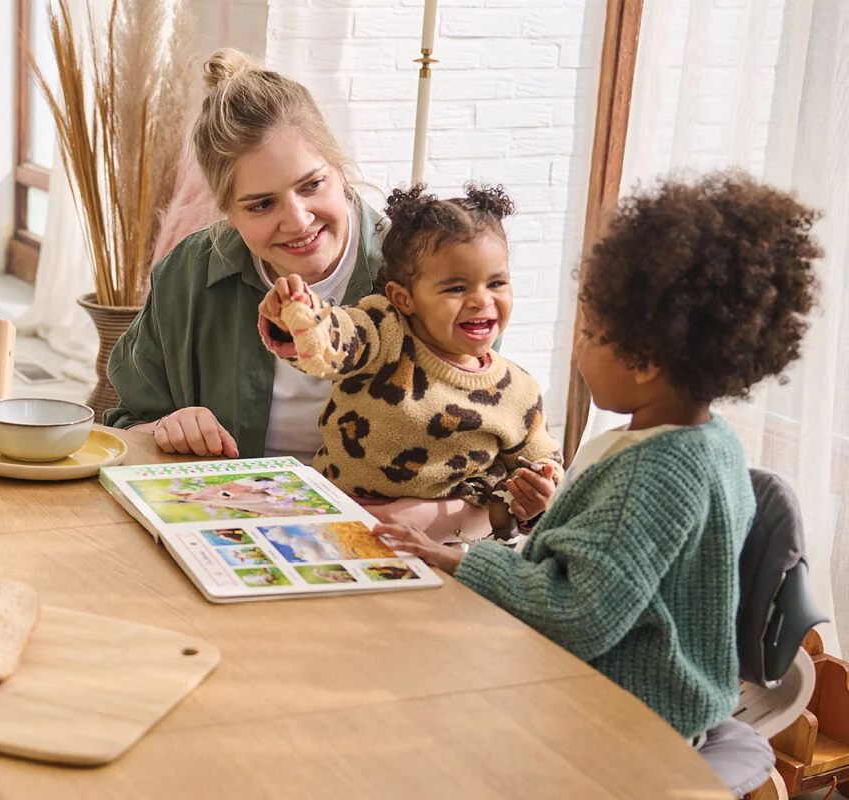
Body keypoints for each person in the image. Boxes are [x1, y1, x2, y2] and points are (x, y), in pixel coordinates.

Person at [384, 172, 819, 740]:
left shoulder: (653, 474)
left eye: (589, 334)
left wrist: (462, 559)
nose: (578, 348)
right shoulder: (708, 440)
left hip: (622, 719)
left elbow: (580, 614)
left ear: (642, 361)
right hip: (632, 693)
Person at [105, 49, 387, 461]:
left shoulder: (424, 268)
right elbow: (124, 426)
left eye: (312, 185)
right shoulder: (185, 276)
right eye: (260, 205)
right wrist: (167, 428)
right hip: (224, 512)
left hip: (377, 522)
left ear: (339, 169)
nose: (297, 221)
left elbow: (481, 436)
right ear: (229, 215)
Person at [258, 184, 561, 541]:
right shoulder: (386, 331)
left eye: (497, 283)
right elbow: (338, 340)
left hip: (445, 550)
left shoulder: (519, 392)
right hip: (336, 520)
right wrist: (304, 319)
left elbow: (543, 461)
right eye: (457, 288)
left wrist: (541, 489)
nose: (482, 300)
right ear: (403, 299)